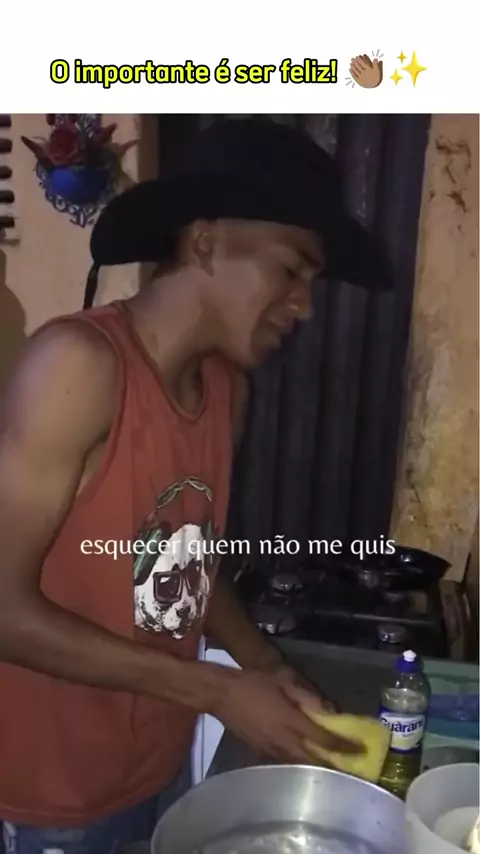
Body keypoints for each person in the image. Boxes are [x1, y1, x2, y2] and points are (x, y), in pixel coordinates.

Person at [0, 118, 391, 854]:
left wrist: (265, 667)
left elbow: (184, 565)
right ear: (206, 243)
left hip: (159, 765)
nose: (305, 306)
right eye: (292, 270)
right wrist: (219, 691)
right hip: (56, 799)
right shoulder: (76, 369)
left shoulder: (225, 391)